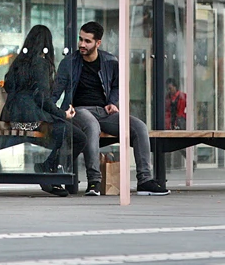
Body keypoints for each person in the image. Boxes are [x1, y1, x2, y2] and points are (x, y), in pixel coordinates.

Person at [52, 21, 170, 196]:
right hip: (78, 111)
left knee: (139, 127)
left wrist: (113, 103)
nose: (82, 44)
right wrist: (52, 111)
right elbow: (56, 91)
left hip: (104, 112)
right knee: (92, 126)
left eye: (87, 41)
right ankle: (94, 181)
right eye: (80, 39)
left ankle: (145, 180)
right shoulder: (69, 63)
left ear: (98, 43)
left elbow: (117, 86)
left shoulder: (109, 61)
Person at [1, 24, 87, 197]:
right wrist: (63, 114)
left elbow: (9, 86)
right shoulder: (40, 64)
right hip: (31, 120)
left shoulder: (18, 63)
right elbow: (43, 99)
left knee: (64, 132)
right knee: (78, 137)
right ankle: (49, 170)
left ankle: (51, 171)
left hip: (14, 119)